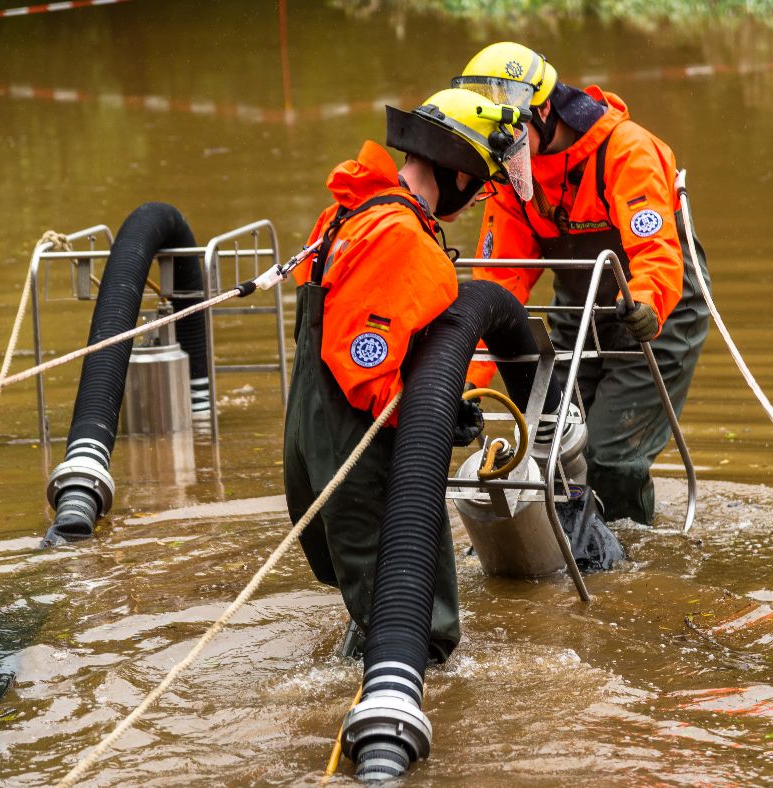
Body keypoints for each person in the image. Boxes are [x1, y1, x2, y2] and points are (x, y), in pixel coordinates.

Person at [284, 88, 531, 662]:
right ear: (456, 169)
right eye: (480, 181)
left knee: (378, 608)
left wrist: (443, 399)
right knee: (424, 632)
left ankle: (365, 669)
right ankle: (393, 724)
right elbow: (364, 368)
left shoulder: (353, 211)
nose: (477, 199)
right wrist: (430, 416)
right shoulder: (402, 239)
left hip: (315, 436)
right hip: (361, 449)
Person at [451, 42, 711, 525]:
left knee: (612, 458)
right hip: (578, 310)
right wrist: (464, 381)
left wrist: (649, 303)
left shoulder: (626, 150)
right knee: (555, 448)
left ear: (544, 111)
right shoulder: (515, 178)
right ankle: (566, 549)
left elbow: (657, 254)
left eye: (507, 137)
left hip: (659, 310)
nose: (500, 155)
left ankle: (626, 567)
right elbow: (498, 283)